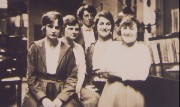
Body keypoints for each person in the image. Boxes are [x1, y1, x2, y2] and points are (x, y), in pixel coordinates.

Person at [22, 11, 80, 107]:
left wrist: (61, 98)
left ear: (61, 29)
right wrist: (43, 98)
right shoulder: (35, 47)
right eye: (50, 26)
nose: (54, 30)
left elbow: (72, 78)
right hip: (39, 89)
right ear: (44, 27)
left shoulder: (67, 49)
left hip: (61, 89)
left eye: (57, 27)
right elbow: (31, 77)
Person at [97, 16, 152, 107]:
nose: (127, 32)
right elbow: (104, 68)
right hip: (111, 94)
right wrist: (125, 72)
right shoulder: (113, 46)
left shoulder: (143, 49)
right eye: (124, 28)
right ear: (120, 30)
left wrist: (115, 73)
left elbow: (141, 75)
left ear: (137, 31)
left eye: (131, 29)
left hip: (133, 94)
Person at [60, 15, 100, 107]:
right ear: (63, 29)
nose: (74, 32)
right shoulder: (57, 45)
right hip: (59, 85)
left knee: (94, 98)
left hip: (76, 85)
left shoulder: (79, 48)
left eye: (77, 29)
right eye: (70, 29)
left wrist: (77, 89)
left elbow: (81, 71)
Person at [86, 11, 115, 95]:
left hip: (113, 87)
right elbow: (86, 72)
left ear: (112, 27)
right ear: (96, 26)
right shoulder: (91, 47)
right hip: (93, 87)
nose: (104, 27)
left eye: (108, 24)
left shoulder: (117, 46)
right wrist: (87, 85)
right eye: (101, 23)